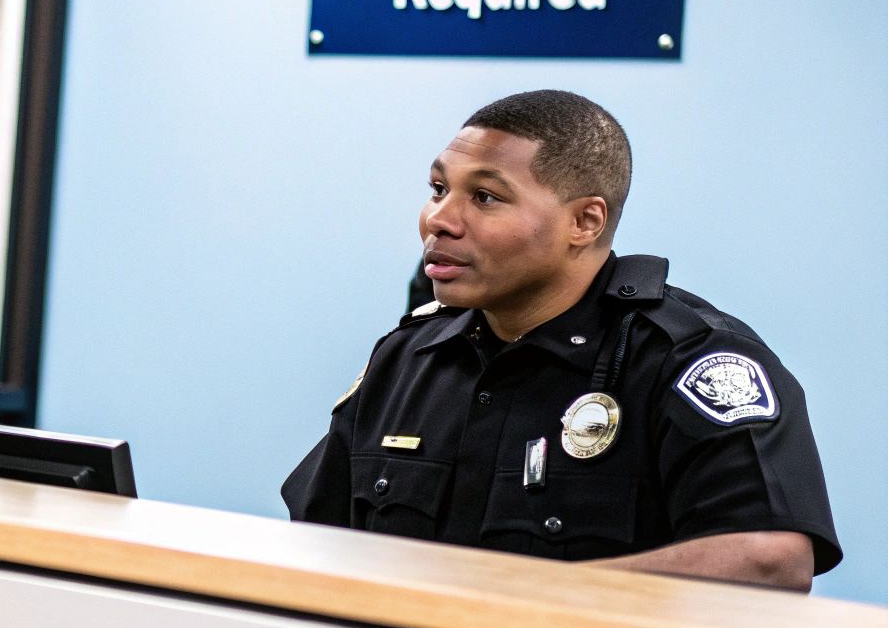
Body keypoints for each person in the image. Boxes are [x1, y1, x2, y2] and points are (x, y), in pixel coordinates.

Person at [281, 90, 839, 591]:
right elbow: (314, 541)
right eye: (438, 189)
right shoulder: (409, 356)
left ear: (585, 222)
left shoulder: (688, 359)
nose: (439, 220)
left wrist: (517, 604)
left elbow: (770, 560)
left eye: (485, 198)